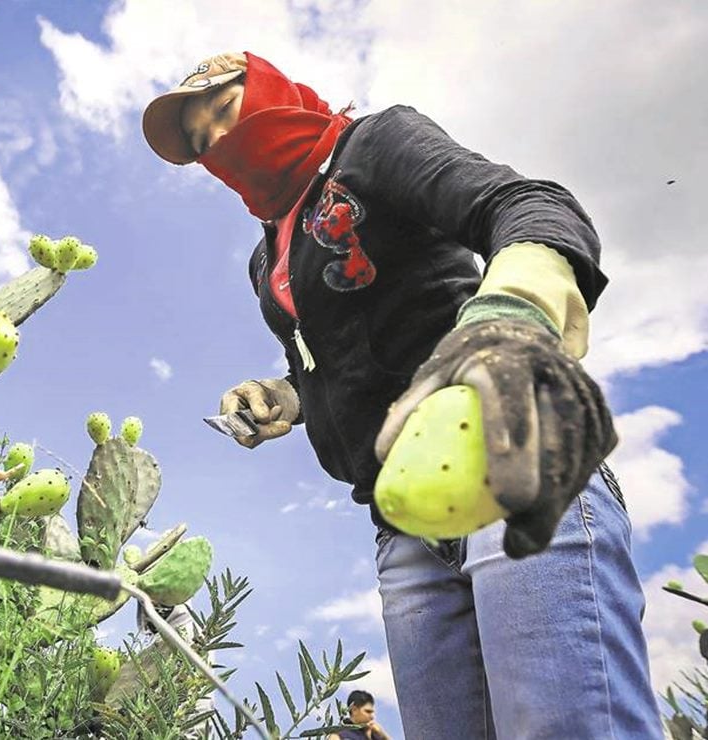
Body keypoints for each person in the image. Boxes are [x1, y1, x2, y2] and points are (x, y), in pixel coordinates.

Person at [142, 51, 663, 738]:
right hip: (401, 525)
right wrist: (285, 395)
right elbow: (344, 356)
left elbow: (524, 203)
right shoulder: (266, 255)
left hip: (504, 458)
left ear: (269, 89)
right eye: (203, 142)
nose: (218, 142)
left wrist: (514, 306)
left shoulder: (372, 144)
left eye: (223, 111)